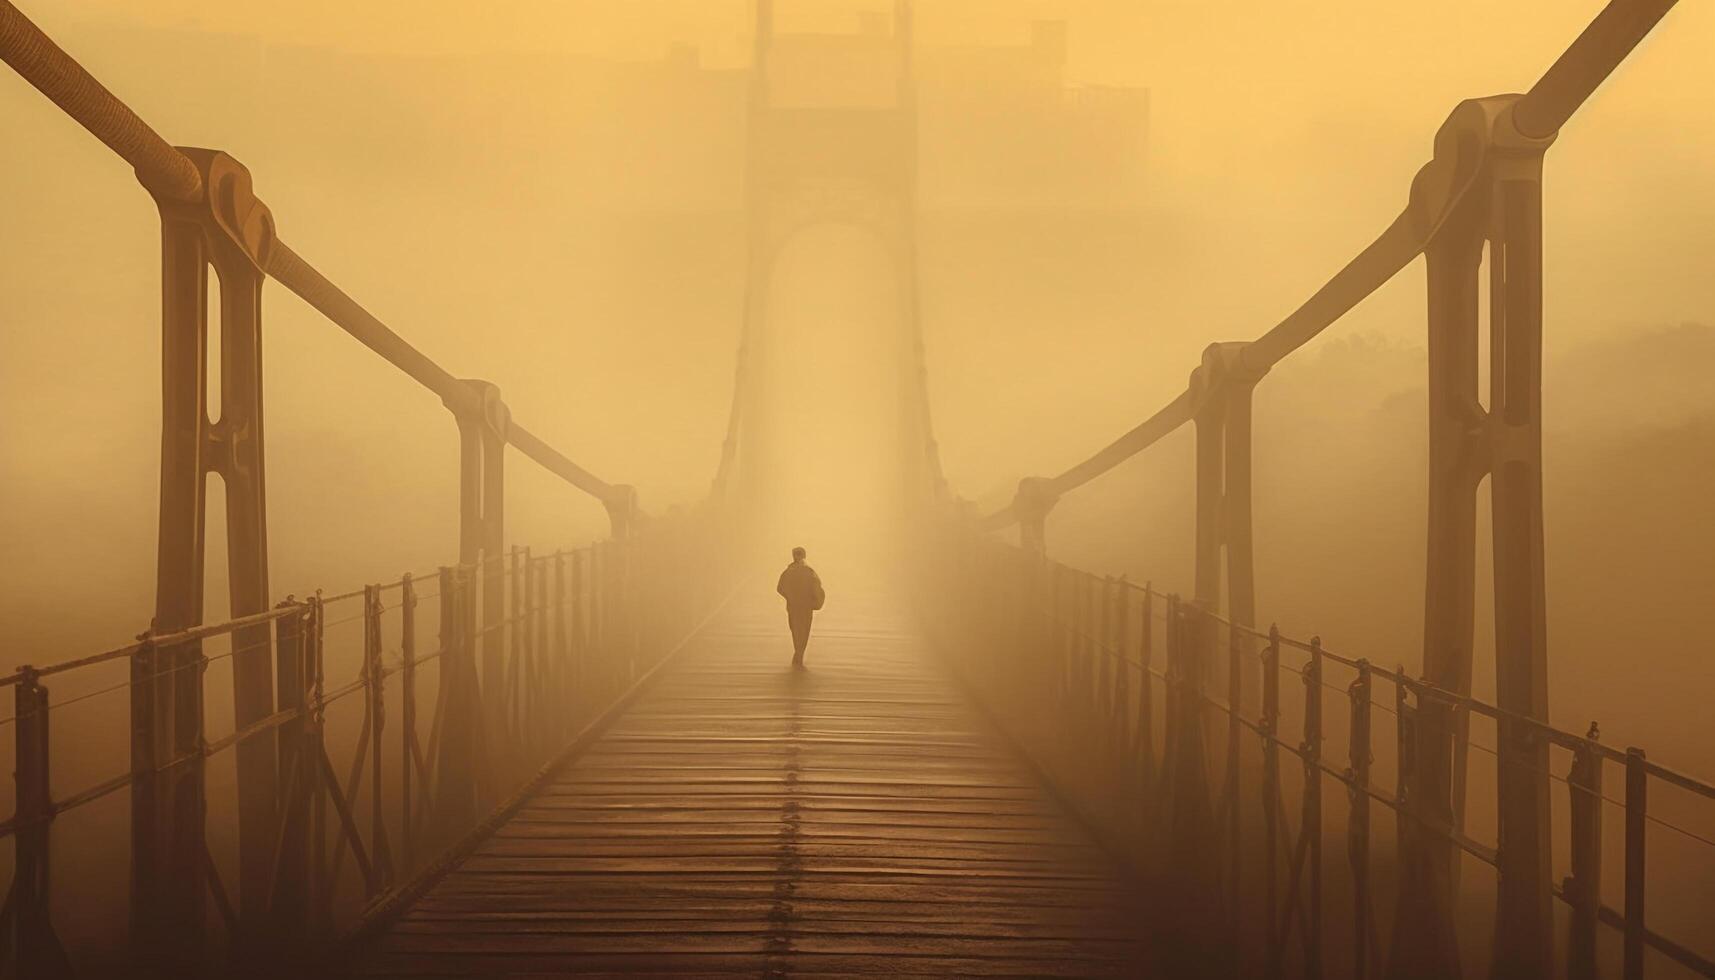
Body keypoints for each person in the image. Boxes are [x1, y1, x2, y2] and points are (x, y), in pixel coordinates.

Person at [775, 546, 825, 667]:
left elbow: (780, 588)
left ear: (793, 555)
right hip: (806, 606)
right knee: (805, 629)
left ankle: (798, 651)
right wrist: (816, 602)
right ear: (804, 555)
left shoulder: (788, 571)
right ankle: (800, 653)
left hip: (793, 606)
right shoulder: (810, 572)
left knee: (795, 629)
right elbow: (817, 588)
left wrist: (789, 596)